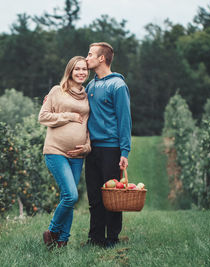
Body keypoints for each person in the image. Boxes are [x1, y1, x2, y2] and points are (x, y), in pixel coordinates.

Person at [38, 56, 91, 248]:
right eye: (77, 69)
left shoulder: (87, 95)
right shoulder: (56, 91)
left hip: (77, 155)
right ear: (70, 71)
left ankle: (62, 241)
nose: (81, 72)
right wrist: (67, 116)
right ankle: (52, 231)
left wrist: (87, 146)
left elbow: (87, 124)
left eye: (84, 69)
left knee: (68, 198)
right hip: (56, 151)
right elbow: (43, 117)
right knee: (71, 195)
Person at [84, 42, 132, 248]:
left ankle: (112, 238)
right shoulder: (91, 86)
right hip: (91, 148)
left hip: (111, 149)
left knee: (111, 197)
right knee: (94, 197)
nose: (86, 58)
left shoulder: (118, 86)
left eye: (90, 54)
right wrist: (51, 99)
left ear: (101, 58)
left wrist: (125, 151)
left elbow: (125, 120)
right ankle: (95, 238)